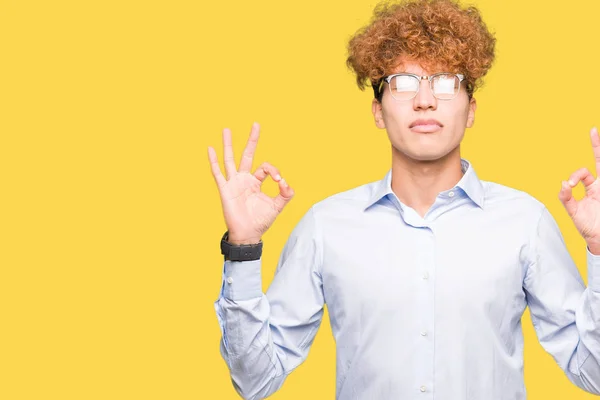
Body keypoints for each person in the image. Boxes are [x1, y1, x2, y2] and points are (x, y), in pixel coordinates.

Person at [207, 0, 600, 398]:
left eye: (446, 82)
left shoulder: (524, 222)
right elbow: (255, 381)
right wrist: (243, 248)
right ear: (378, 112)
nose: (425, 100)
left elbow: (594, 374)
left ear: (471, 110)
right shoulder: (326, 226)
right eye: (404, 83)